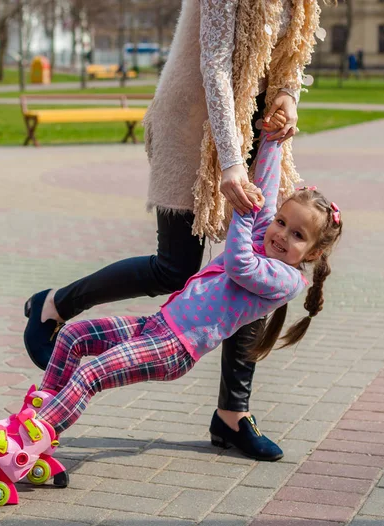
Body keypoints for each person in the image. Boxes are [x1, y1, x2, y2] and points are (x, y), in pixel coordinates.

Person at [23, 0, 332, 461]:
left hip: (255, 126)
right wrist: (230, 162)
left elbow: (289, 59)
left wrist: (286, 98)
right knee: (175, 267)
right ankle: (54, 305)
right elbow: (214, 61)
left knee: (269, 260)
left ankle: (232, 416)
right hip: (193, 122)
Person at [0, 134, 343, 468]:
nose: (280, 234)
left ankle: (26, 443)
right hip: (158, 326)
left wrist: (243, 210)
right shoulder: (266, 238)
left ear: (310, 254)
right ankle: (31, 419)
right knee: (74, 336)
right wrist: (273, 139)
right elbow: (266, 187)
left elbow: (241, 263)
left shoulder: (284, 279)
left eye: (296, 235)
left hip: (174, 348)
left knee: (91, 374)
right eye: (279, 222)